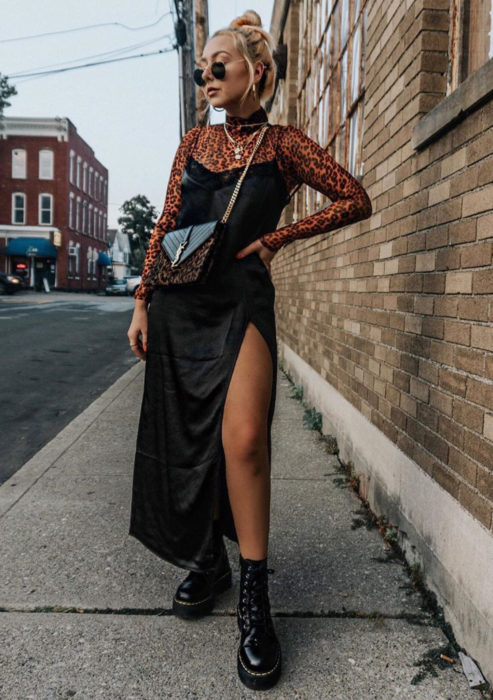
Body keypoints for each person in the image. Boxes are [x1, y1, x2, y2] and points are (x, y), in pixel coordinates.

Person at [127, 9, 372, 691]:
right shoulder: (192, 145)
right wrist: (143, 299)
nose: (206, 74)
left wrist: (276, 240)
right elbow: (167, 221)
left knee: (242, 442)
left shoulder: (284, 144)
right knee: (190, 441)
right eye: (203, 65)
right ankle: (207, 561)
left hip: (241, 301)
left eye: (219, 63)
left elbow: (354, 197)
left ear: (254, 71)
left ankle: (256, 604)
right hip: (180, 305)